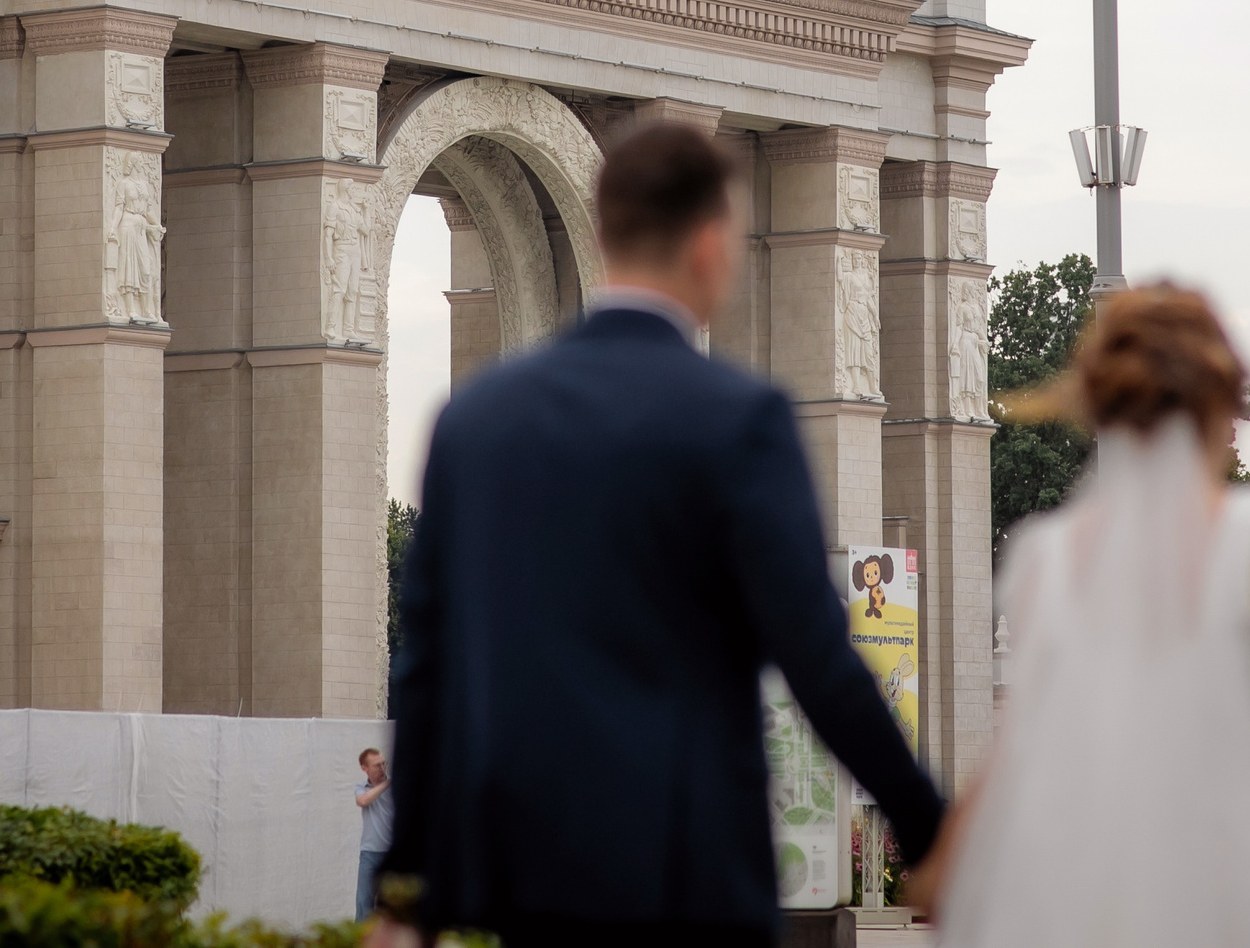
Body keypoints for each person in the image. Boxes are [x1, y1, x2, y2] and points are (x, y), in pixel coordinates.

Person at [371, 123, 944, 948]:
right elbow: (816, 653)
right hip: (688, 870)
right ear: (711, 244)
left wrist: (407, 889)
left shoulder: (476, 421)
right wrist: (926, 824)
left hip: (524, 873)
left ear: (603, 236)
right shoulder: (740, 418)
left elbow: (424, 668)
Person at [915, 284, 1250, 948]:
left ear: (1100, 404)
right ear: (1222, 404)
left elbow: (1014, 754)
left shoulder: (1045, 556)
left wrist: (945, 865)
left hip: (1073, 902)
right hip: (1236, 899)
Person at [354, 748, 394, 918]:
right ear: (365, 768)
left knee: (393, 904)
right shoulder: (361, 788)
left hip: (392, 854)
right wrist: (386, 784)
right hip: (370, 853)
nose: (382, 768)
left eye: (383, 764)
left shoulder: (396, 787)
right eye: (377, 765)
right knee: (364, 902)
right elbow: (363, 801)